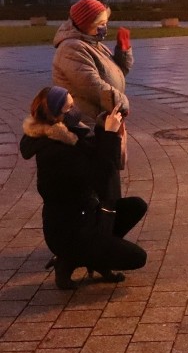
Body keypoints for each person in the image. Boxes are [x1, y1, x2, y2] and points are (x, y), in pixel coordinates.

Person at [19, 86, 147, 289]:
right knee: (137, 257)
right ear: (57, 116)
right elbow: (103, 173)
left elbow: (94, 153)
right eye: (70, 107)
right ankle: (69, 260)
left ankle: (96, 257)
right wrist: (111, 134)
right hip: (71, 233)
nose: (75, 109)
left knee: (137, 206)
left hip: (86, 215)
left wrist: (103, 126)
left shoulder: (65, 134)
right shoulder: (56, 151)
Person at [53, 0, 133, 126]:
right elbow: (92, 85)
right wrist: (122, 103)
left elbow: (118, 73)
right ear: (86, 24)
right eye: (100, 24)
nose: (105, 27)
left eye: (106, 23)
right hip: (87, 123)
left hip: (104, 120)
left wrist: (123, 51)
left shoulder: (92, 43)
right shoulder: (71, 48)